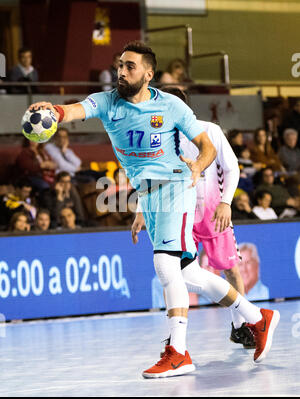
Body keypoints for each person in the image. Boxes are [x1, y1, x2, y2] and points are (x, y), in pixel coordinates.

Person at [28, 40, 280, 378]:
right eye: (119, 65)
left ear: (148, 73)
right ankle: (256, 318)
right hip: (149, 195)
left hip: (177, 188)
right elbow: (75, 110)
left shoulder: (172, 106)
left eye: (129, 66)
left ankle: (178, 351)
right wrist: (55, 112)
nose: (121, 71)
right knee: (189, 273)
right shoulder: (108, 102)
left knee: (165, 264)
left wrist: (196, 167)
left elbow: (205, 146)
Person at [139, 86, 255, 348]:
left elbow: (232, 167)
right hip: (180, 217)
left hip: (214, 213)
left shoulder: (209, 131)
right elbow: (151, 176)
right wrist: (140, 210)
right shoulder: (159, 138)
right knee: (173, 273)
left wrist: (226, 202)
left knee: (231, 270)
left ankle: (240, 326)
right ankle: (175, 335)